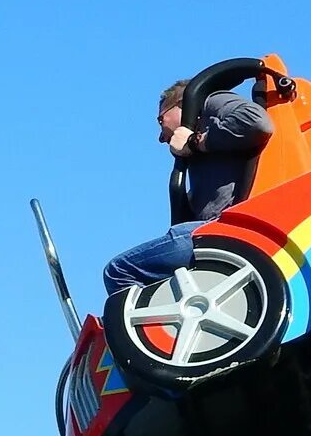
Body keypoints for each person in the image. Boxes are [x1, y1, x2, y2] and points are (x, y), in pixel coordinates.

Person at [102, 78, 274, 293]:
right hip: (214, 227)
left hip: (218, 230)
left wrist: (195, 141)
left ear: (182, 104)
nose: (161, 137)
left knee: (119, 270)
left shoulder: (210, 103)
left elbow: (257, 122)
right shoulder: (204, 157)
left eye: (161, 120)